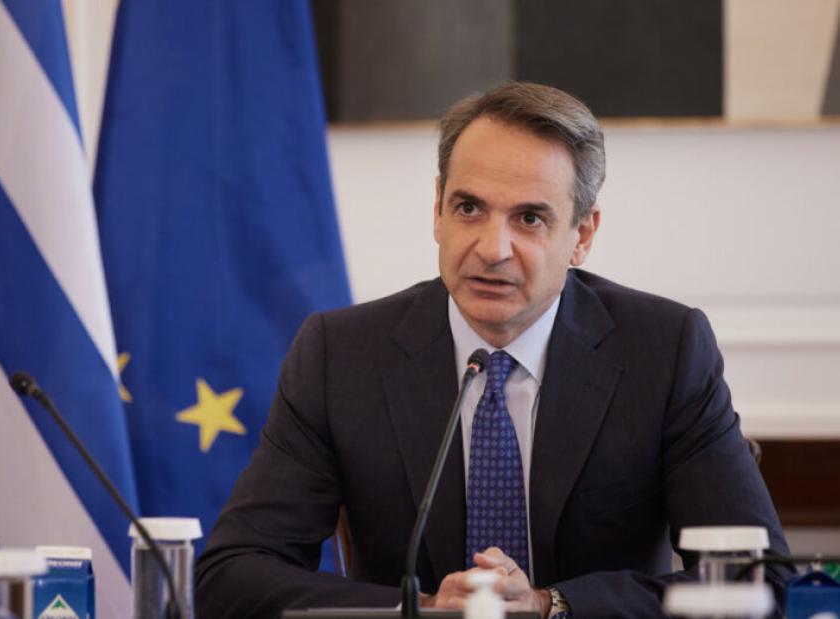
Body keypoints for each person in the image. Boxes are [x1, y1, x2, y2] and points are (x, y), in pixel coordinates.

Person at [194, 81, 791, 618]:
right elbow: (231, 575)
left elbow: (759, 579)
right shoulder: (341, 356)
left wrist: (550, 605)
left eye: (529, 218)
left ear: (581, 236)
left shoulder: (664, 352)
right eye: (469, 208)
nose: (491, 248)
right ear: (437, 211)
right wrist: (423, 610)